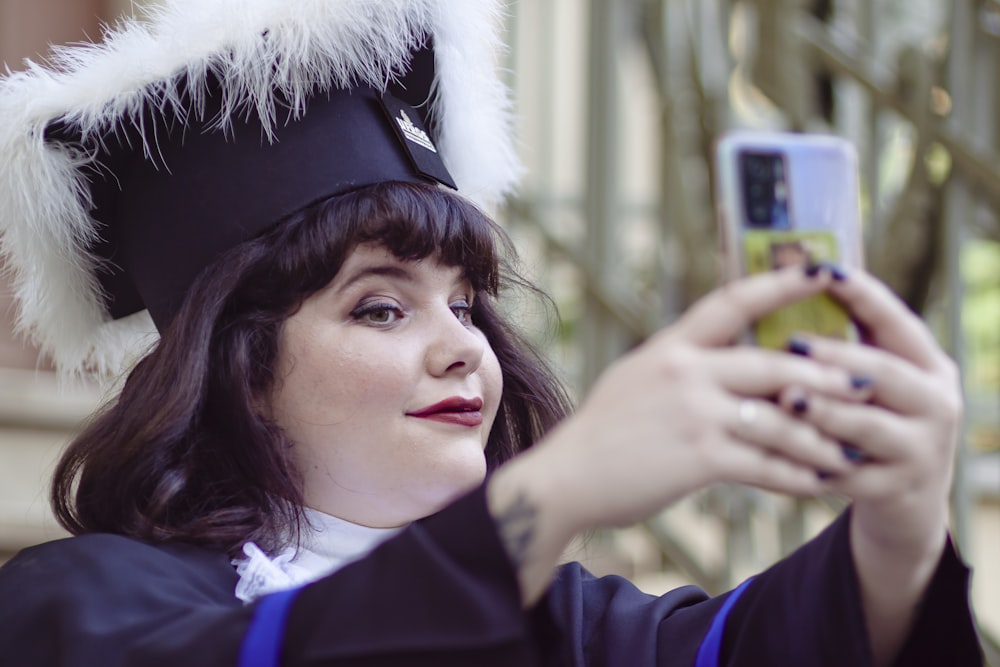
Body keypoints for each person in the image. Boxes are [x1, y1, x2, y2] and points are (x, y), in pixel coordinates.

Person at [0, 1, 982, 665]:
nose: (464, 346)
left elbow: (778, 642)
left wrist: (900, 517)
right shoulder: (74, 604)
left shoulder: (566, 620)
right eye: (380, 306)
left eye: (467, 303)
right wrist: (551, 492)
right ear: (238, 369)